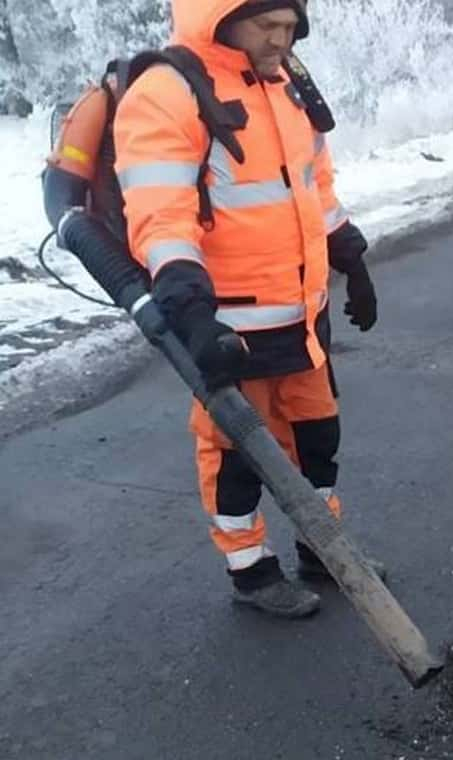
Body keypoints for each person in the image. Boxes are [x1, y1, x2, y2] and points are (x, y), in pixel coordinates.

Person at [113, 0, 380, 618]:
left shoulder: (285, 84)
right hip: (230, 326)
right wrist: (192, 315)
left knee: (319, 439)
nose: (281, 40)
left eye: (290, 28)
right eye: (267, 26)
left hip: (302, 316)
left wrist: (352, 257)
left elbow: (314, 185)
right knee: (238, 455)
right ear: (221, 16)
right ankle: (250, 570)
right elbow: (161, 219)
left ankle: (325, 548)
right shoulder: (168, 93)